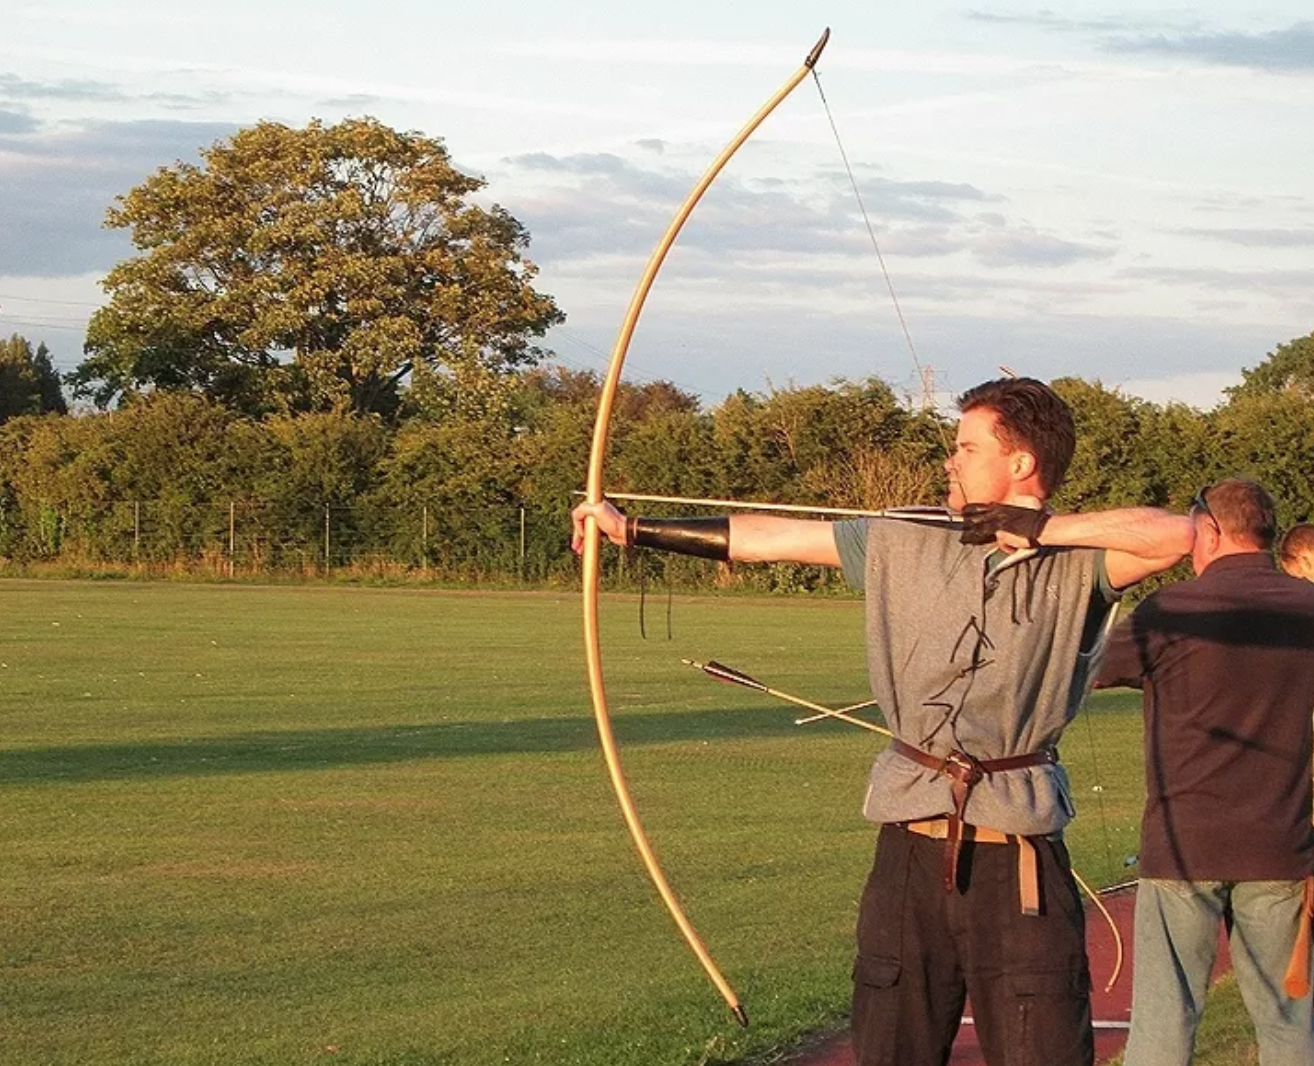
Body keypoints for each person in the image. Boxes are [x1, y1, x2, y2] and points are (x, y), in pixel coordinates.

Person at [572, 377, 1193, 1066]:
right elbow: (774, 538)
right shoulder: (906, 538)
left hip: (1017, 860)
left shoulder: (1082, 559)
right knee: (890, 1047)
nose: (951, 461)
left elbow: (1177, 534)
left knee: (1040, 1048)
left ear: (1022, 463)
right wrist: (631, 528)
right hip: (908, 851)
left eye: (967, 446)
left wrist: (1042, 529)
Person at [1095, 478, 1314, 1066]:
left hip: (1184, 845)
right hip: (1280, 845)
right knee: (1290, 1024)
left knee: (1165, 1025)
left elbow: (1087, 669)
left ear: (1212, 531)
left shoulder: (1172, 608)